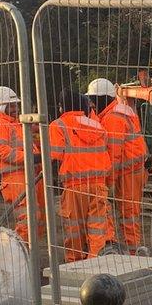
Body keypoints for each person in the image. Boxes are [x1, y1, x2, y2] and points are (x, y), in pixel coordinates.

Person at [0, 86, 45, 242]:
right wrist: (33, 157)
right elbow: (2, 152)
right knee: (28, 219)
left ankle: (30, 258)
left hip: (28, 173)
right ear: (0, 106)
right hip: (15, 177)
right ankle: (20, 255)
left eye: (16, 105)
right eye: (11, 105)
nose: (15, 108)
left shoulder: (12, 123)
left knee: (37, 220)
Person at [49, 90, 114, 262]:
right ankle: (96, 264)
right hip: (99, 184)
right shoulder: (97, 125)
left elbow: (54, 155)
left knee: (74, 230)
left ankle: (75, 265)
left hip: (74, 185)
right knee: (97, 229)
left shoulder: (58, 125)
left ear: (63, 106)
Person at [100, 85, 149, 254]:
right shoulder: (121, 111)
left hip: (127, 173)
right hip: (133, 170)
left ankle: (134, 252)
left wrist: (110, 182)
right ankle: (133, 249)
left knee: (128, 214)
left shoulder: (112, 118)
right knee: (130, 214)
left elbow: (114, 154)